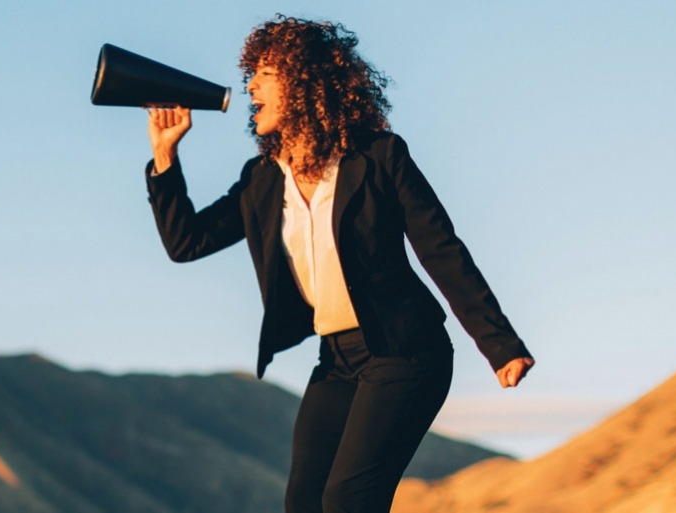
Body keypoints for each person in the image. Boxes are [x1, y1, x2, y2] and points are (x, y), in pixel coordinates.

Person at [140, 16, 536, 512]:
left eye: (265, 73)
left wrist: (499, 344)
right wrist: (165, 158)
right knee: (304, 502)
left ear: (306, 80)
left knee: (348, 499)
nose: (250, 85)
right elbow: (187, 242)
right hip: (337, 360)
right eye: (250, 75)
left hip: (405, 351)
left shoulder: (379, 157)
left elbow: (440, 249)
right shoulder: (263, 179)